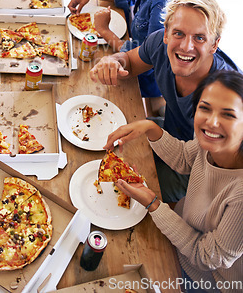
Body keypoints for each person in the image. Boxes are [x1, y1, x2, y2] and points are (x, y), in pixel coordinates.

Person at [90, 0, 241, 202]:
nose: (186, 46)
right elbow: (130, 62)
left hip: (197, 172)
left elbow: (210, 167)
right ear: (166, 34)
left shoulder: (227, 95)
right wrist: (114, 61)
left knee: (116, 192)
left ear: (214, 45)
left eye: (199, 38)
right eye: (178, 33)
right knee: (99, 145)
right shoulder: (159, 44)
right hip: (166, 132)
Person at [103, 70, 243, 293]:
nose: (212, 121)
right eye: (205, 108)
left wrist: (153, 203)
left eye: (228, 115)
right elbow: (185, 158)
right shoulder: (210, 141)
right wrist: (149, 127)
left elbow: (206, 257)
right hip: (179, 229)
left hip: (203, 280)